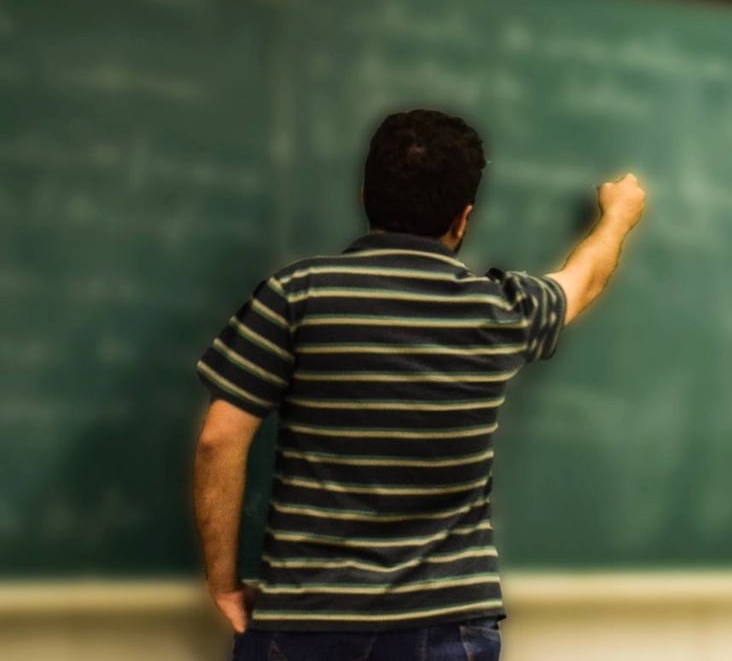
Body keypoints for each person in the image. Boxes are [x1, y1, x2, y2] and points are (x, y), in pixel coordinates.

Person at [191, 109, 646, 660]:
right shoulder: (499, 309)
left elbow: (219, 439)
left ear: (365, 195)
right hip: (445, 624)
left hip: (306, 619)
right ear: (464, 218)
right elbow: (583, 280)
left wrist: (222, 582)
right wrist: (618, 216)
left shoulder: (296, 295)